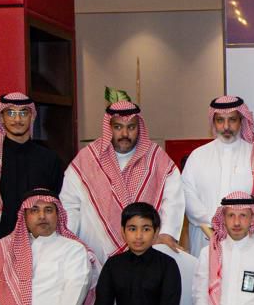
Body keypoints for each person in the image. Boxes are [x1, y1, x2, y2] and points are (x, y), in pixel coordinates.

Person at [61, 100, 185, 262]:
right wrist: (68, 240)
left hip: (145, 247)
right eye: (118, 127)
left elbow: (173, 199)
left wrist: (166, 233)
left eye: (131, 127)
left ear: (139, 128)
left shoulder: (155, 157)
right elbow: (70, 204)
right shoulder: (87, 158)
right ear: (109, 127)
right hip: (97, 248)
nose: (125, 134)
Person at [181, 96, 254, 256]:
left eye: (232, 119)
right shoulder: (198, 156)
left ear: (241, 121)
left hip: (250, 237)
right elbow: (187, 193)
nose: (226, 126)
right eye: (220, 120)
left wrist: (247, 222)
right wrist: (213, 221)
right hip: (208, 236)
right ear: (213, 122)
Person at [0, 92, 64, 255]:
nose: (17, 119)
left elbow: (58, 207)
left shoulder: (49, 159)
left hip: (44, 248)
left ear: (32, 116)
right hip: (2, 248)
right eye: (10, 113)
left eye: (23, 113)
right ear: (1, 118)